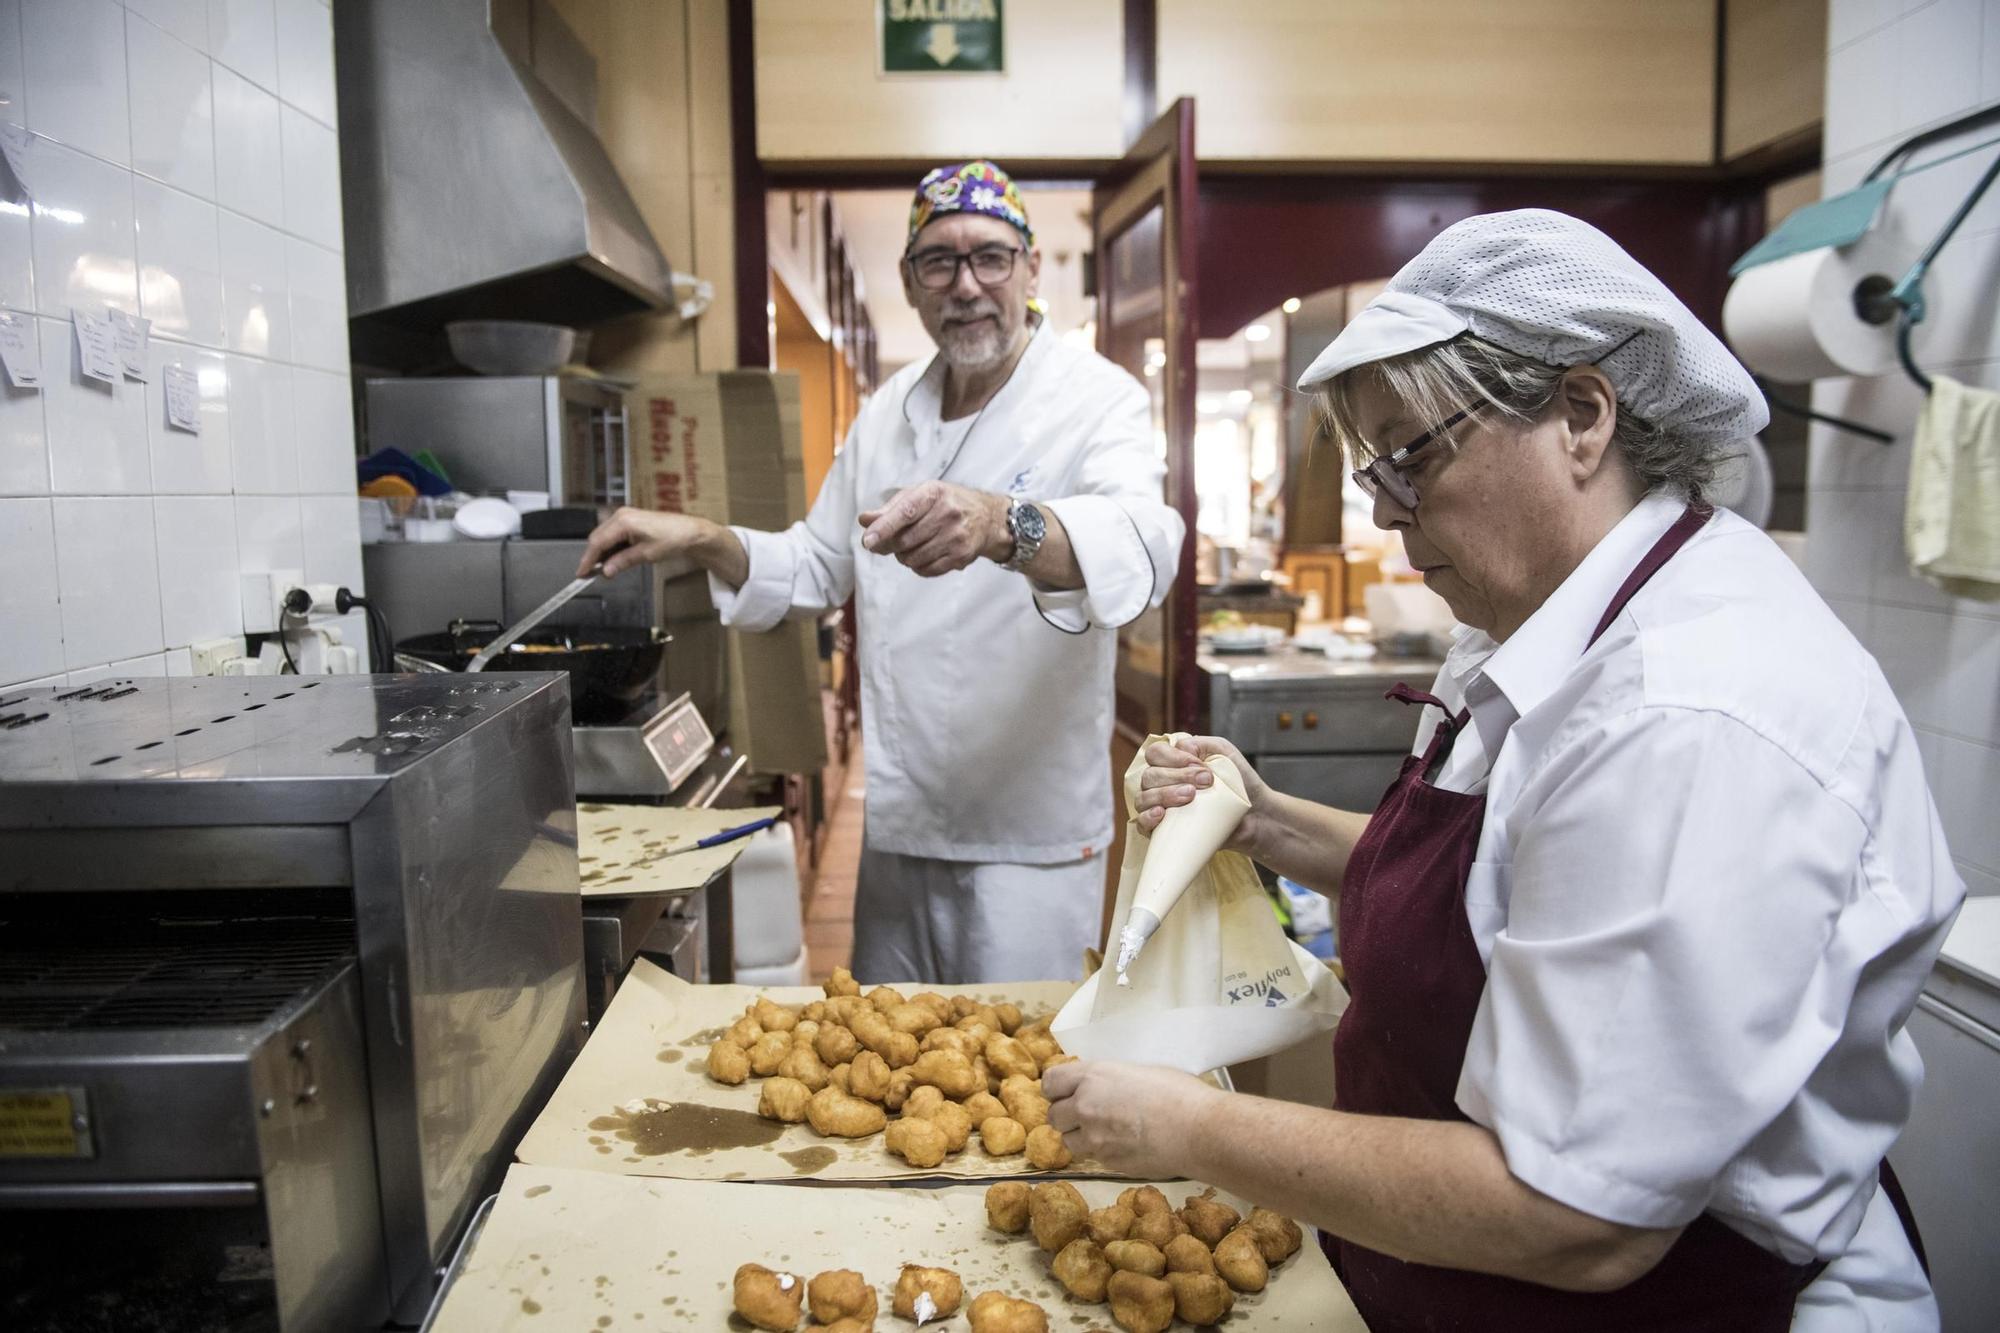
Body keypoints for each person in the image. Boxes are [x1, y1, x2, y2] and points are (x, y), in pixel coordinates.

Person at [1043, 210, 1961, 1330]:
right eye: (1371, 468)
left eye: (1411, 456)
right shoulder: (1539, 612)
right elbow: (1498, 890)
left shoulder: (1684, 718)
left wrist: (1186, 1125)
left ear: (1579, 415)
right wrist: (1264, 818)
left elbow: (1580, 1217)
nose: (1382, 511)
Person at [580, 160, 1183, 985]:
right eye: (939, 260)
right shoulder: (888, 410)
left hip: (1028, 837)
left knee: (1023, 1078)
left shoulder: (1096, 399)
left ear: (1032, 266)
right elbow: (820, 564)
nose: (966, 284)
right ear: (909, 282)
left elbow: (1146, 540)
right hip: (901, 824)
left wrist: (1004, 524)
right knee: (893, 1067)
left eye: (990, 256)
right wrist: (702, 535)